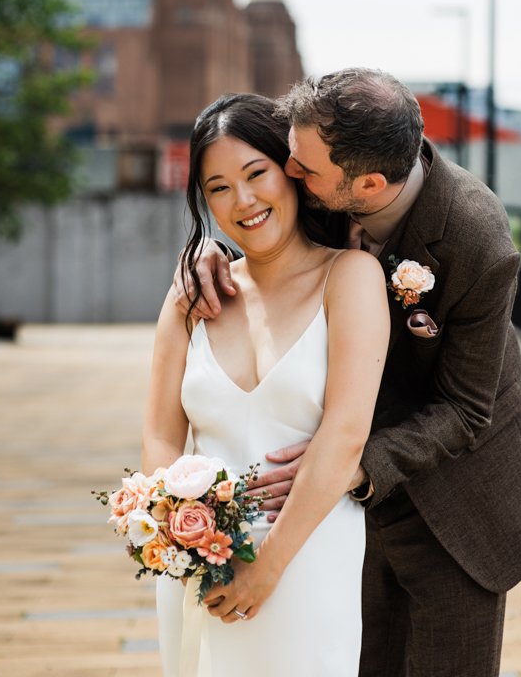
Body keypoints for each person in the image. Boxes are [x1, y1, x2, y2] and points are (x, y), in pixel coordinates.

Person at [177, 68, 521, 677]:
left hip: (455, 504)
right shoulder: (324, 167)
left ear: (369, 184)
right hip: (338, 517)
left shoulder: (475, 237)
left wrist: (352, 462)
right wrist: (205, 251)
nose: (289, 173)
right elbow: (256, 213)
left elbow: (465, 409)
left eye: (303, 170)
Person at [143, 92, 389, 677]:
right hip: (201, 567)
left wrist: (268, 566)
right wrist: (178, 534)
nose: (243, 200)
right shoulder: (191, 295)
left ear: (293, 173)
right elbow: (159, 434)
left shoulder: (349, 277)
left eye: (257, 174)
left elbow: (347, 433)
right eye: (219, 187)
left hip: (309, 553)